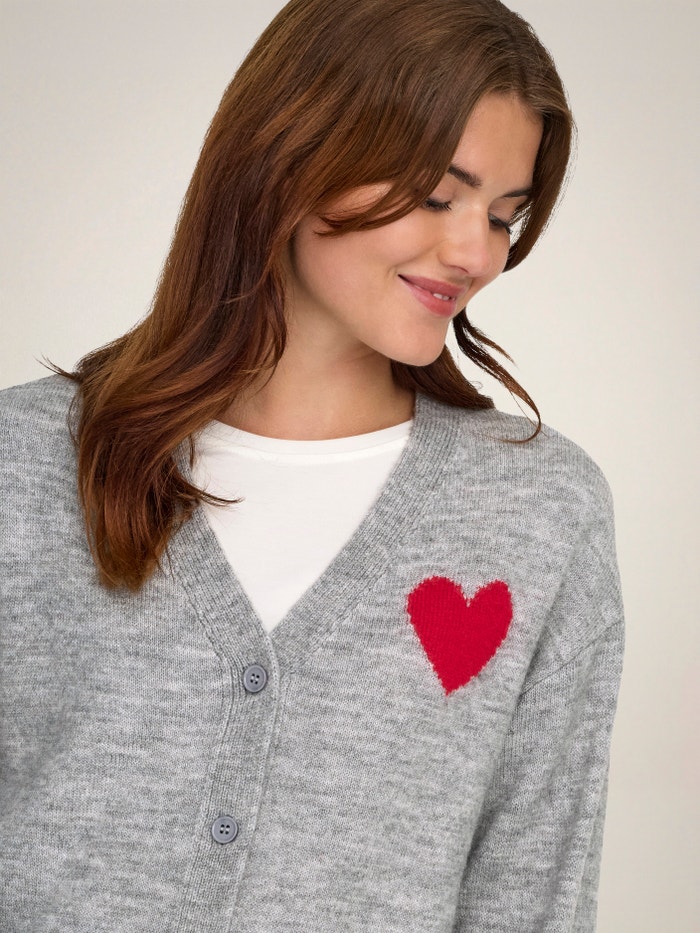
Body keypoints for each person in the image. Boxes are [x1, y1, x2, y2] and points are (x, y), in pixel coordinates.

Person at [0, 0, 624, 930]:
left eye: (506, 214)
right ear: (294, 154)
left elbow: (532, 898)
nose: (475, 253)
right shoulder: (23, 464)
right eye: (437, 195)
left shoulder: (538, 512)